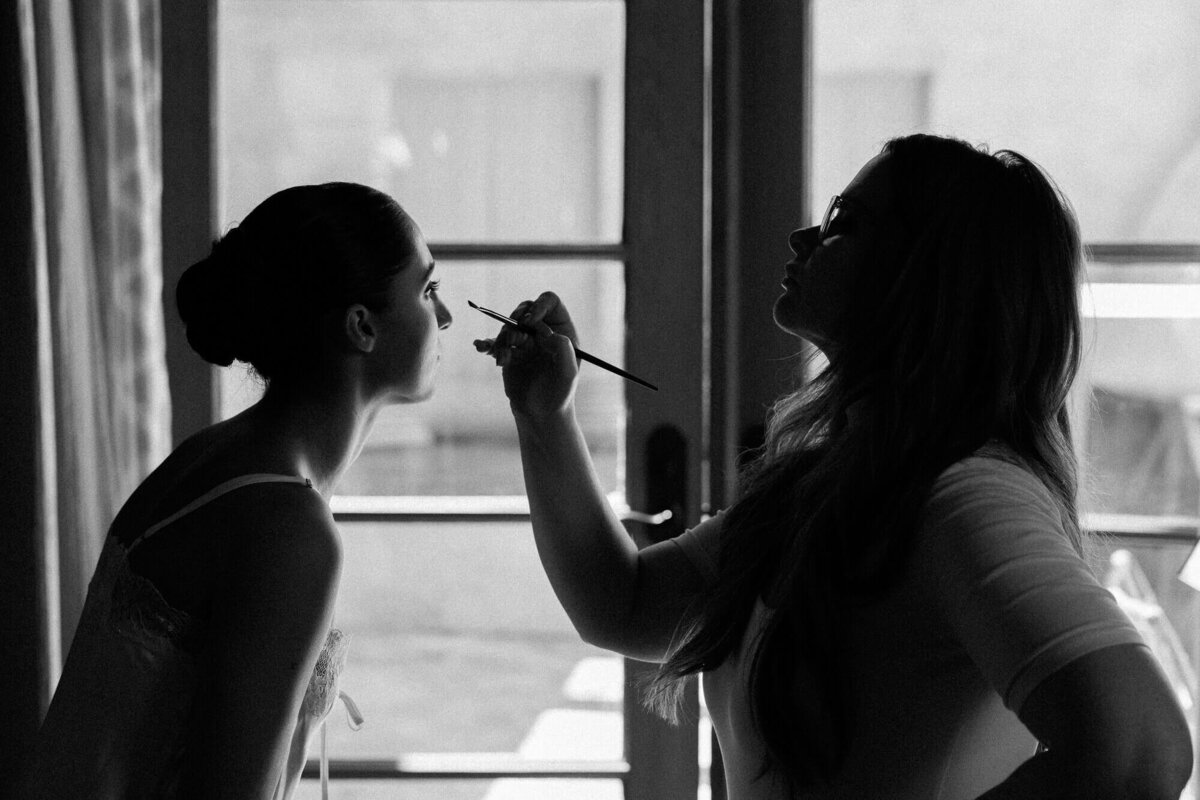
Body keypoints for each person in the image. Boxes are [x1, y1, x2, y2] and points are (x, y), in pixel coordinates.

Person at [476, 134, 1193, 798]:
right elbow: (623, 604)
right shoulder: (824, 485)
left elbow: (1142, 751)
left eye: (843, 221)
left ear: (924, 279)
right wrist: (546, 414)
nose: (802, 238)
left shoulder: (966, 497)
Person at [27, 182, 451, 798]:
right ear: (362, 325)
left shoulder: (219, 456)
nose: (444, 317)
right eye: (428, 290)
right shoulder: (287, 523)